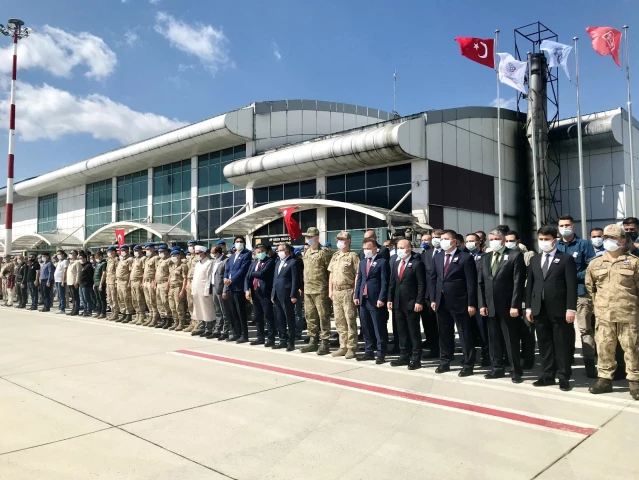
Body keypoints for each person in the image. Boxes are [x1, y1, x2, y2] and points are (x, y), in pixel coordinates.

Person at [586, 224, 639, 400]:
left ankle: (634, 382)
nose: (608, 241)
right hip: (604, 314)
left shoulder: (633, 262)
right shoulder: (595, 263)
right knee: (604, 347)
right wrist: (599, 307)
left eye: (613, 238)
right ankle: (604, 380)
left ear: (623, 240)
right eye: (606, 237)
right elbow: (591, 288)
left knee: (632, 348)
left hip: (628, 314)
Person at [526, 226, 578, 392]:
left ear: (554, 240)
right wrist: (528, 307)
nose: (543, 242)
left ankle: (563, 376)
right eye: (540, 239)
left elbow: (571, 286)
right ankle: (548, 375)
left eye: (546, 239)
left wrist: (571, 308)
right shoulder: (535, 260)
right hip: (539, 309)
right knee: (544, 344)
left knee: (561, 343)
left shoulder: (566, 259)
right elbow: (530, 286)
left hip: (559, 308)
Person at [478, 228, 526, 383]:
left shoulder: (514, 256)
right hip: (490, 306)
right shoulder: (485, 257)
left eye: (496, 238)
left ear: (504, 240)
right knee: (494, 339)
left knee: (511, 339)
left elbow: (518, 283)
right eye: (491, 239)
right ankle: (497, 368)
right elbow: (481, 283)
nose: (493, 242)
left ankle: (515, 370)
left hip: (508, 306)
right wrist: (482, 304)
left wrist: (515, 305)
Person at [429, 230, 478, 376]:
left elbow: (471, 283)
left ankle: (468, 363)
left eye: (446, 238)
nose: (442, 241)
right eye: (441, 238)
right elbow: (433, 279)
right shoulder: (437, 257)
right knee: (444, 333)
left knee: (464, 333)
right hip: (441, 301)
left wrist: (471, 303)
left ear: (454, 241)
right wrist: (433, 299)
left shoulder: (465, 257)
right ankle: (445, 361)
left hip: (460, 302)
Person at [556, 214, 596, 378]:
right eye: (561, 225)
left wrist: (573, 275)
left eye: (567, 225)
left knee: (585, 329)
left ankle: (589, 363)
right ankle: (566, 359)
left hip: (580, 293)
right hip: (560, 294)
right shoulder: (555, 245)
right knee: (563, 329)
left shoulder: (584, 245)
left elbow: (592, 267)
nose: (564, 228)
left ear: (573, 227)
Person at [388, 239, 426, 370]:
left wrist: (419, 301)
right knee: (401, 331)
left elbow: (421, 284)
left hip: (412, 303)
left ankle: (416, 358)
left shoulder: (416, 264)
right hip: (398, 303)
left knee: (413, 332)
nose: (399, 250)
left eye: (402, 247)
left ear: (409, 249)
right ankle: (404, 355)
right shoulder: (396, 263)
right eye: (398, 247)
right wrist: (390, 299)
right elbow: (392, 283)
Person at [355, 237, 390, 364]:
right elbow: (360, 280)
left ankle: (381, 353)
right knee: (366, 327)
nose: (366, 251)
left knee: (378, 327)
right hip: (363, 299)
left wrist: (382, 298)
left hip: (375, 299)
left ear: (375, 248)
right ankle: (368, 351)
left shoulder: (382, 262)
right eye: (364, 249)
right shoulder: (363, 262)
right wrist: (356, 296)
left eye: (369, 248)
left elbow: (384, 282)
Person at [505, 230, 536, 370]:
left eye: (511, 240)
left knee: (527, 331)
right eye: (506, 241)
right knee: (511, 332)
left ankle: (529, 357)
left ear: (518, 242)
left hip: (523, 300)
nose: (508, 243)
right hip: (508, 300)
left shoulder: (527, 256)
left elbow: (530, 279)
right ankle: (512, 357)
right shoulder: (503, 256)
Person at [298, 227, 331, 354]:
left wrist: (329, 290)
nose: (308, 239)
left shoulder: (324, 253)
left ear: (316, 237)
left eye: (310, 237)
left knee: (323, 316)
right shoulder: (306, 252)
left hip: (321, 290)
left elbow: (330, 273)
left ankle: (325, 342)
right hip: (308, 290)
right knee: (310, 316)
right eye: (307, 237)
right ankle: (313, 341)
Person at [328, 231, 360, 359]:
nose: (340, 241)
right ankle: (343, 346)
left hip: (348, 291)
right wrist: (330, 290)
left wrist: (355, 291)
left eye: (342, 239)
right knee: (339, 321)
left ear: (349, 241)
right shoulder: (335, 256)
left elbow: (358, 274)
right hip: (336, 291)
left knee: (350, 320)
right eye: (338, 239)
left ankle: (351, 347)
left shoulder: (352, 256)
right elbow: (330, 274)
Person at [245, 243, 276, 345]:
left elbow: (262, 274)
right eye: (258, 252)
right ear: (255, 253)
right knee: (257, 316)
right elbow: (247, 278)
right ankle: (260, 337)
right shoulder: (253, 264)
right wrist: (247, 290)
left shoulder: (270, 262)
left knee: (268, 316)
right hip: (255, 292)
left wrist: (251, 273)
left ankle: (271, 339)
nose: (261, 254)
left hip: (265, 292)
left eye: (262, 252)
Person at [223, 236, 252, 343]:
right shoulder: (232, 256)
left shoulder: (246, 254)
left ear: (244, 243)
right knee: (232, 312)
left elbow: (242, 270)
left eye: (241, 242)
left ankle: (244, 335)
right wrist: (225, 278)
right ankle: (236, 333)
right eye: (237, 242)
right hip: (230, 287)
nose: (238, 243)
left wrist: (231, 280)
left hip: (238, 287)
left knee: (241, 312)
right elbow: (227, 269)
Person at [272, 243, 300, 351]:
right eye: (278, 251)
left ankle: (291, 342)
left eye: (280, 250)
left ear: (287, 251)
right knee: (280, 318)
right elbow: (275, 279)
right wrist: (273, 294)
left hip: (287, 294)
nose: (279, 252)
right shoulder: (278, 262)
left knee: (289, 318)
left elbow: (295, 280)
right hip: (277, 294)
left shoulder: (293, 263)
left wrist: (293, 294)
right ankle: (282, 340)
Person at [420, 230, 443, 358]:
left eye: (438, 237)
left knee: (443, 325)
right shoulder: (426, 254)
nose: (435, 239)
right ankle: (434, 349)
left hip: (443, 295)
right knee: (429, 324)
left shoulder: (447, 254)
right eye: (433, 237)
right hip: (428, 295)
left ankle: (445, 350)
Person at [208, 244, 231, 339]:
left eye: (213, 253)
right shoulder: (214, 261)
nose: (211, 255)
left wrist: (225, 290)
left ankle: (225, 331)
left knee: (225, 311)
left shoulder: (225, 260)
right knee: (217, 311)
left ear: (217, 253)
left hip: (221, 289)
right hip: (214, 288)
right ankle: (217, 329)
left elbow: (226, 276)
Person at [115, 245, 135, 324]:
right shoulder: (121, 259)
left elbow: (131, 272)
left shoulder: (130, 259)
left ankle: (128, 314)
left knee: (127, 299)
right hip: (119, 281)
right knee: (121, 299)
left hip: (125, 281)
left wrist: (129, 282)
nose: (122, 251)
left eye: (124, 250)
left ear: (127, 250)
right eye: (121, 250)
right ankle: (123, 313)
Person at [154, 244, 172, 328]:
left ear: (167, 252)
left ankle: (168, 319)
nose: (160, 253)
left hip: (165, 282)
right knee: (159, 302)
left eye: (162, 251)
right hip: (158, 283)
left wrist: (168, 285)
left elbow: (170, 274)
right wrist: (155, 283)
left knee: (165, 302)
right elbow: (156, 273)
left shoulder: (169, 261)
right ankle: (163, 319)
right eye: (159, 252)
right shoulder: (160, 261)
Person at [141, 243, 159, 327]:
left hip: (151, 281)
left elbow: (157, 272)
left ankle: (155, 317)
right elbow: (144, 272)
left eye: (149, 249)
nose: (147, 251)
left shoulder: (156, 258)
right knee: (148, 301)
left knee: (153, 300)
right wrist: (143, 282)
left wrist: (155, 283)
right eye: (146, 249)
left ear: (153, 249)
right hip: (146, 282)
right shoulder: (147, 259)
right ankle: (151, 316)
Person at [185, 239, 198, 330]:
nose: (191, 247)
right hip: (189, 282)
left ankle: (197, 323)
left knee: (196, 303)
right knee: (190, 303)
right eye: (189, 245)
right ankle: (192, 322)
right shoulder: (189, 258)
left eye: (192, 245)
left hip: (195, 281)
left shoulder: (199, 257)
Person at [78, 251, 95, 317]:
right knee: (83, 298)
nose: (80, 260)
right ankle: (85, 310)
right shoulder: (81, 265)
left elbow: (91, 276)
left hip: (87, 285)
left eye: (81, 258)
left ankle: (89, 311)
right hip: (81, 284)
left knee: (87, 298)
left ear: (85, 258)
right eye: (79, 258)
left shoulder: (88, 266)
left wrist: (91, 284)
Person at [105, 247, 119, 321]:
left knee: (114, 298)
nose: (109, 253)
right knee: (109, 298)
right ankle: (112, 312)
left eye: (110, 251)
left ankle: (116, 313)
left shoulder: (116, 260)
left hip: (113, 281)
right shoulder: (109, 260)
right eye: (108, 252)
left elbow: (117, 272)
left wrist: (116, 281)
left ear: (114, 252)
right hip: (108, 281)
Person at [93, 250, 107, 319]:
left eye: (97, 257)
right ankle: (99, 311)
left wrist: (101, 284)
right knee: (97, 298)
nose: (96, 258)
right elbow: (95, 274)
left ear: (101, 256)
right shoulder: (97, 264)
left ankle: (103, 312)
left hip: (100, 283)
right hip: (96, 283)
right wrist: (94, 284)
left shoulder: (104, 263)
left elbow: (104, 274)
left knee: (102, 299)